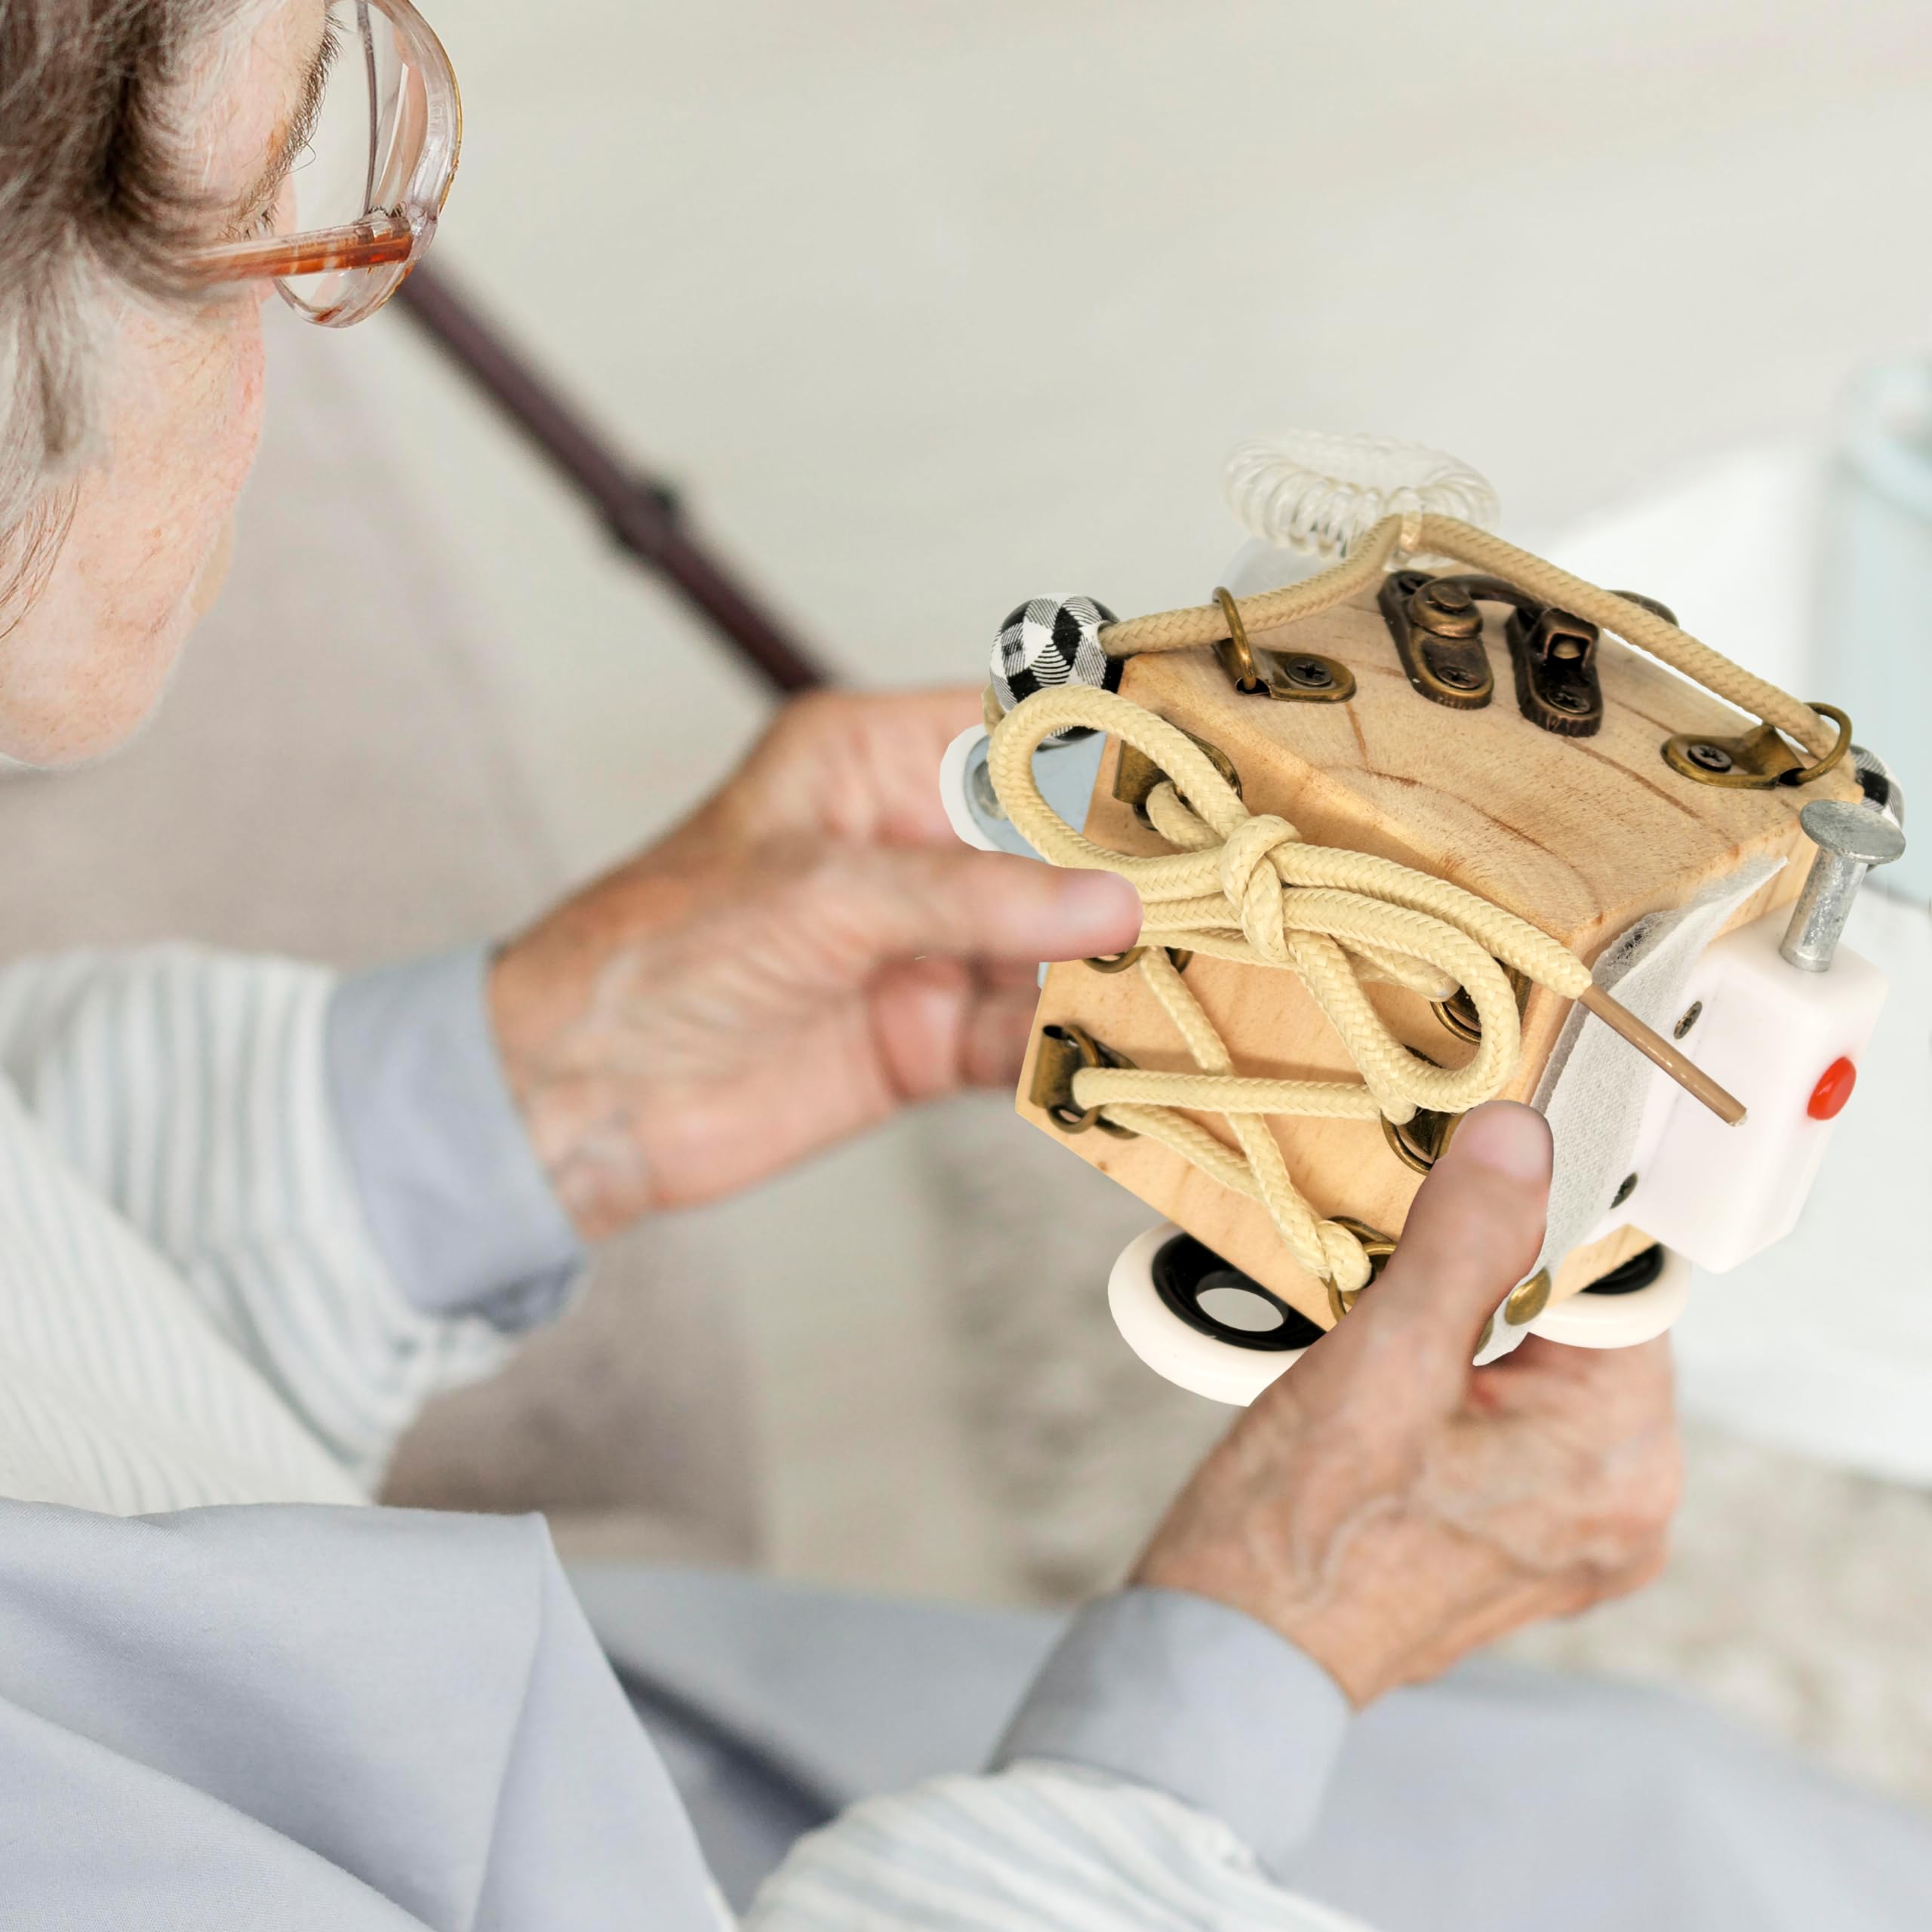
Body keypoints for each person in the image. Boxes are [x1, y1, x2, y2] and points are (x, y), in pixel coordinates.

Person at [0, 2, 1928, 1927]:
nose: (292, 373)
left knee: (1679, 1812)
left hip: (533, 1726)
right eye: (275, 217)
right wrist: (1232, 1675)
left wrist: (517, 1091)